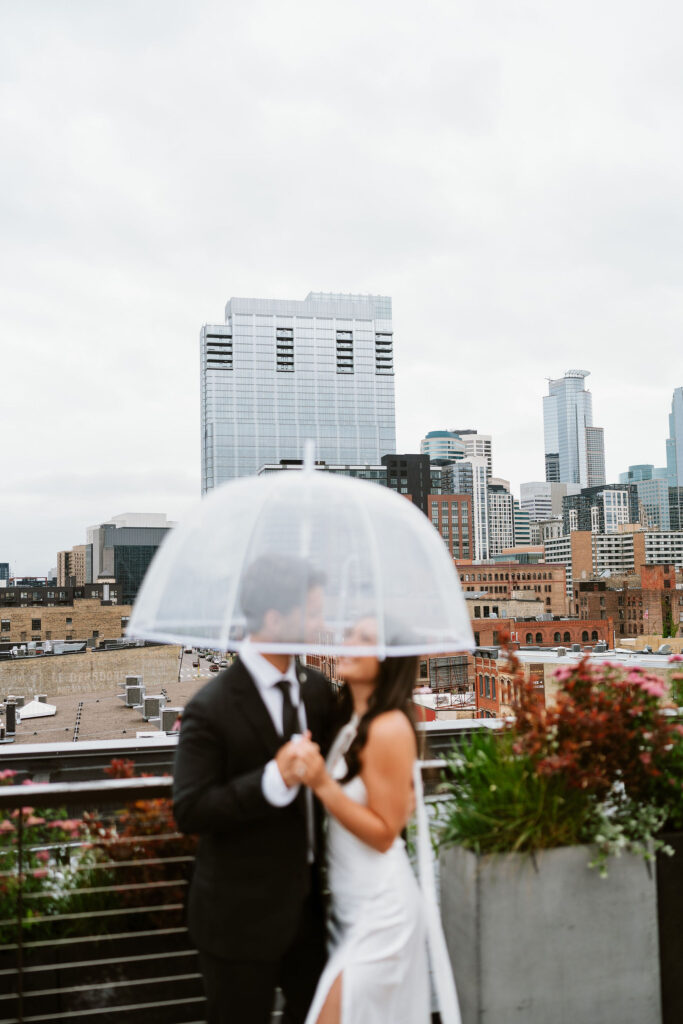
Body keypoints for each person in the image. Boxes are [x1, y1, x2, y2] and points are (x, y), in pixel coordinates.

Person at [173, 554, 337, 1024]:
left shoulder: (318, 692)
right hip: (236, 920)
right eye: (313, 611)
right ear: (273, 618)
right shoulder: (210, 707)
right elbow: (191, 809)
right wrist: (273, 779)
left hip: (310, 914)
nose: (322, 622)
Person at [295, 616, 431, 1024]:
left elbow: (385, 834)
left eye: (364, 639)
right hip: (348, 910)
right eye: (350, 634)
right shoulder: (351, 724)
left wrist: (321, 781)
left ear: (388, 660)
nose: (347, 643)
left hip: (381, 912)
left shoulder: (389, 727)